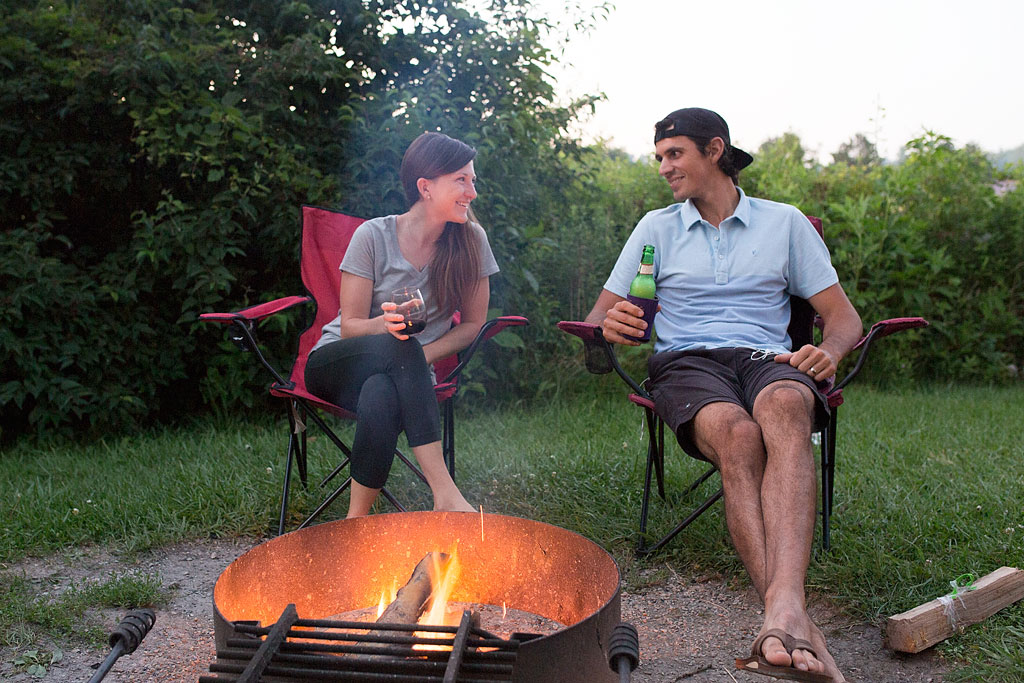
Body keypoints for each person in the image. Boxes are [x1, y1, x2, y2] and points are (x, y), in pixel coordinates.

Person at [585, 108, 861, 683]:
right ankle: (791, 616)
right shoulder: (656, 229)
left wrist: (828, 354)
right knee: (738, 436)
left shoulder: (785, 224)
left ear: (714, 150)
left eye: (674, 154)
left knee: (786, 407)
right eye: (659, 156)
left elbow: (843, 319)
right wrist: (607, 331)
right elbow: (596, 325)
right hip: (687, 364)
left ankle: (780, 613)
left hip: (769, 359)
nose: (663, 167)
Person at [305, 131, 497, 518]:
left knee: (382, 393)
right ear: (425, 187)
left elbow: (474, 324)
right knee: (397, 348)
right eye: (461, 180)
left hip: (398, 375)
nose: (472, 192)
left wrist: (414, 355)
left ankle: (355, 523)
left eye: (472, 180)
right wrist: (388, 331)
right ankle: (444, 492)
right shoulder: (373, 236)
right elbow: (350, 328)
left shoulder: (471, 240)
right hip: (335, 364)